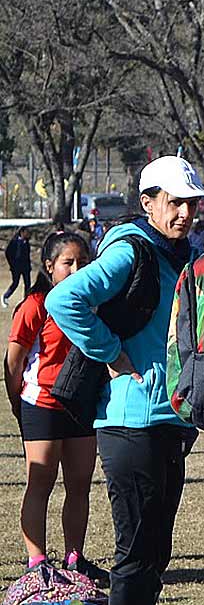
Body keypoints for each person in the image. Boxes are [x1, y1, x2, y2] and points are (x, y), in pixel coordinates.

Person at [47, 155, 204, 605]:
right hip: (130, 422)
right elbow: (65, 298)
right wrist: (111, 354)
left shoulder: (177, 254)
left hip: (165, 420)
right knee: (136, 554)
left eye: (192, 203)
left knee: (151, 554)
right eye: (175, 201)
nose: (185, 212)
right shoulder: (131, 248)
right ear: (149, 201)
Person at [5, 230, 105, 585]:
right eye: (69, 263)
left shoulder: (95, 302)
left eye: (84, 262)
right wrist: (19, 406)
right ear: (49, 267)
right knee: (40, 483)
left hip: (81, 405)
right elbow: (13, 363)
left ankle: (74, 558)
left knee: (79, 484)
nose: (78, 269)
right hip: (41, 405)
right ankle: (37, 563)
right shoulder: (35, 305)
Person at [5, 228, 32, 307]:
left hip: (25, 267)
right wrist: (12, 264)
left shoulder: (26, 242)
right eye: (26, 232)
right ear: (22, 232)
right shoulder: (14, 241)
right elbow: (8, 253)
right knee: (15, 283)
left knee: (27, 284)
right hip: (16, 267)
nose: (28, 233)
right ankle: (5, 296)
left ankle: (26, 300)